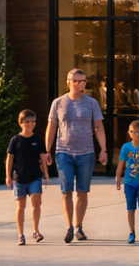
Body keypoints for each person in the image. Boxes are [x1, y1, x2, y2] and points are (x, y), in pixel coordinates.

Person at [46, 68, 106, 243]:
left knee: (82, 191)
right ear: (68, 82)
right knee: (66, 190)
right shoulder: (58, 103)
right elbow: (51, 127)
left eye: (83, 81)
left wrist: (103, 149)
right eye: (77, 81)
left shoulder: (92, 103)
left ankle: (79, 226)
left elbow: (99, 126)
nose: (81, 84)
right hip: (64, 152)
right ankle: (69, 227)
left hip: (86, 153)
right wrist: (46, 150)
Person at [7, 109, 50, 246]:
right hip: (19, 178)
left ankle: (36, 231)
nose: (31, 124)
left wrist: (46, 173)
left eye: (33, 121)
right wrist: (8, 176)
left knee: (36, 202)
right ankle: (20, 235)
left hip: (35, 177)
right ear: (21, 123)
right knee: (21, 206)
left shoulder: (38, 140)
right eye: (27, 122)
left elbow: (43, 158)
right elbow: (9, 159)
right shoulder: (15, 140)